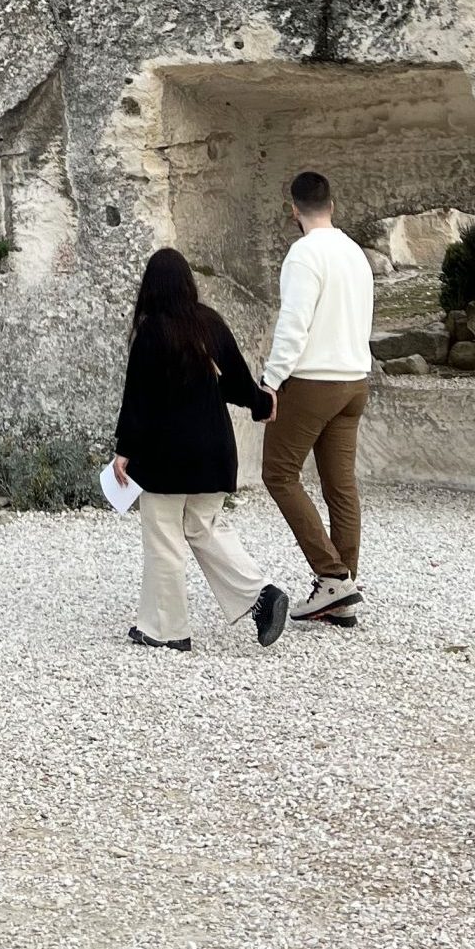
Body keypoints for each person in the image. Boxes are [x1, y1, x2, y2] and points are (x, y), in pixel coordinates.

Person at [111, 247, 289, 653]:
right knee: (204, 527)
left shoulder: (151, 333)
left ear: (150, 288)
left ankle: (167, 629)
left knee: (164, 539)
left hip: (165, 458)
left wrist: (124, 450)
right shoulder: (210, 324)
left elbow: (138, 400)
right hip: (214, 452)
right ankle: (261, 595)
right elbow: (239, 381)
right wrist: (262, 405)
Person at [260, 170, 375, 627]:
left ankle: (332, 577)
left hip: (312, 383)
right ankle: (341, 592)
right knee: (340, 487)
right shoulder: (355, 253)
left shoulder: (304, 254)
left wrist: (271, 381)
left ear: (294, 209)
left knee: (278, 473)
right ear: (332, 205)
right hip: (355, 380)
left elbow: (294, 325)